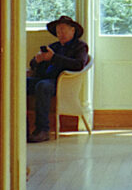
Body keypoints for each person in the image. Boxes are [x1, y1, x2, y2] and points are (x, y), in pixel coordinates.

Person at [26, 15, 89, 143]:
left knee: (43, 86)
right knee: (19, 84)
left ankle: (43, 130)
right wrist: (37, 61)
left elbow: (78, 65)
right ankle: (23, 127)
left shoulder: (80, 47)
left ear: (73, 30)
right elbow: (33, 64)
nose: (61, 33)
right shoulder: (54, 46)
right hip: (43, 78)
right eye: (58, 31)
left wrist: (53, 58)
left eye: (64, 30)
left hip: (61, 83)